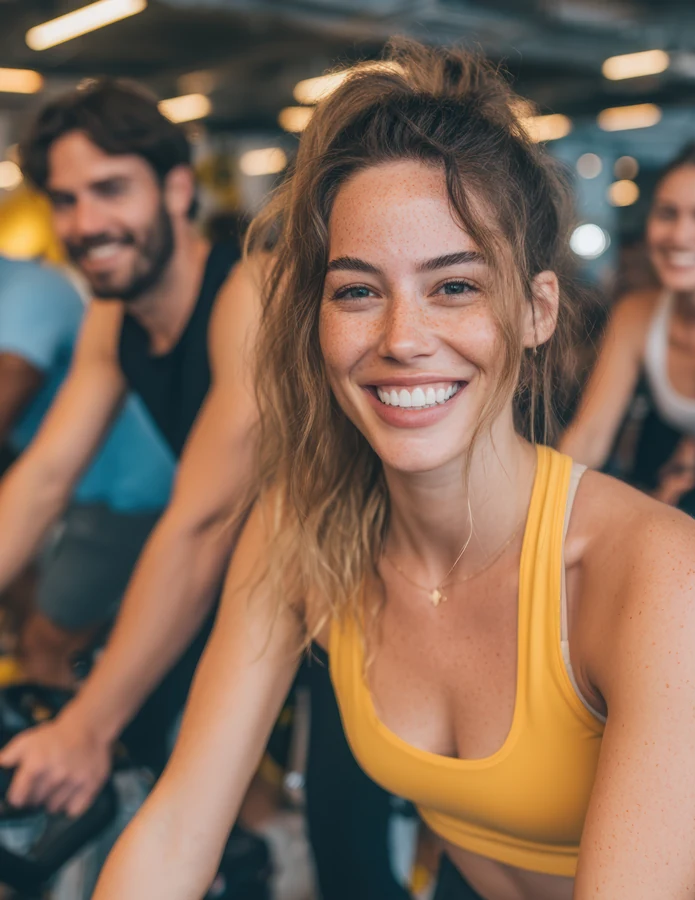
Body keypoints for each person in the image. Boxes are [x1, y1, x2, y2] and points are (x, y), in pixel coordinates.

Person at [91, 41, 695, 900]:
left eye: (455, 287)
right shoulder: (304, 526)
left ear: (536, 310)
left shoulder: (662, 576)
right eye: (358, 291)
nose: (401, 339)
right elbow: (179, 826)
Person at [0, 78, 407, 900]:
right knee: (151, 756)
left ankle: (283, 845)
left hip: (364, 580)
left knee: (348, 848)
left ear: (178, 189)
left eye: (111, 189)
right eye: (66, 200)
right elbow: (43, 478)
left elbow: (202, 519)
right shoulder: (116, 318)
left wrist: (88, 726)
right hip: (259, 579)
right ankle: (251, 853)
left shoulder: (246, 293)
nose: (85, 223)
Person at [561, 142, 695, 582]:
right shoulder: (637, 314)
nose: (680, 234)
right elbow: (587, 439)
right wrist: (533, 525)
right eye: (667, 213)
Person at [0, 253, 174, 686]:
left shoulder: (29, 291)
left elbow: (12, 381)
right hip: (77, 493)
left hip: (127, 494)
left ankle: (77, 716)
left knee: (46, 644)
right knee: (27, 604)